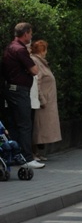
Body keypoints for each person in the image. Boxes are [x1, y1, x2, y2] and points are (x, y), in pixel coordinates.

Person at [1, 23, 43, 169]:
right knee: (25, 124)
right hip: (19, 91)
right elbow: (35, 70)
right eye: (30, 34)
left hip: (10, 90)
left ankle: (13, 156)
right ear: (25, 33)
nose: (31, 37)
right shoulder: (20, 49)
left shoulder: (10, 47)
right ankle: (27, 157)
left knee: (13, 124)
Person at [30, 40, 61, 160]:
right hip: (42, 101)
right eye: (46, 49)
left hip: (47, 100)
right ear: (42, 50)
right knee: (38, 128)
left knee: (41, 128)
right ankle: (33, 153)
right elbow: (37, 82)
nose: (47, 52)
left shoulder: (41, 61)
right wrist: (42, 100)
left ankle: (37, 152)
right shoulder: (35, 61)